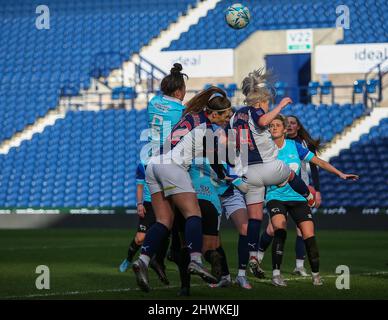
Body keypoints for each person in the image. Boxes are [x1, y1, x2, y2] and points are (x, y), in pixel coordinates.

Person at [132, 87, 236, 292]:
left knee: (164, 221)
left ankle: (143, 260)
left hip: (153, 166)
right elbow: (214, 158)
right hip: (172, 167)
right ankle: (196, 259)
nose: (227, 120)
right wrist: (224, 175)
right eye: (225, 116)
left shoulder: (191, 116)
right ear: (214, 114)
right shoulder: (206, 129)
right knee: (193, 213)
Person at [229, 68, 317, 277]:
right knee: (290, 175)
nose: (267, 105)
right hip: (267, 165)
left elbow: (232, 142)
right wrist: (281, 105)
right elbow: (262, 121)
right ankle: (308, 196)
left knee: (255, 217)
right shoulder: (255, 110)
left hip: (248, 172)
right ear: (260, 101)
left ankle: (252, 255)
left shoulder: (234, 116)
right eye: (267, 102)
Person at [266, 115, 358, 286]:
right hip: (275, 196)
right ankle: (276, 275)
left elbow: (319, 163)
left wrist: (340, 174)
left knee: (309, 235)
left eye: (277, 125)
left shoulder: (295, 147)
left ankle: (316, 275)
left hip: (298, 197)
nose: (274, 128)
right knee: (280, 229)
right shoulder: (266, 149)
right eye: (271, 125)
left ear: (285, 129)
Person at [257, 115, 323, 276]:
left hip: (300, 191)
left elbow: (314, 166)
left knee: (303, 230)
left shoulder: (303, 144)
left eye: (294, 123)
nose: (291, 125)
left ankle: (299, 266)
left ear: (298, 126)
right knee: (273, 229)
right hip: (279, 191)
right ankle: (257, 256)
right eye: (289, 123)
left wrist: (317, 189)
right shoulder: (272, 144)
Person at [118, 162, 169, 285]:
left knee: (164, 236)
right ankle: (129, 259)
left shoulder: (169, 161)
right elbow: (140, 186)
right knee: (140, 238)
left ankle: (159, 264)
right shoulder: (143, 164)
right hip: (148, 203)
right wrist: (139, 204)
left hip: (165, 202)